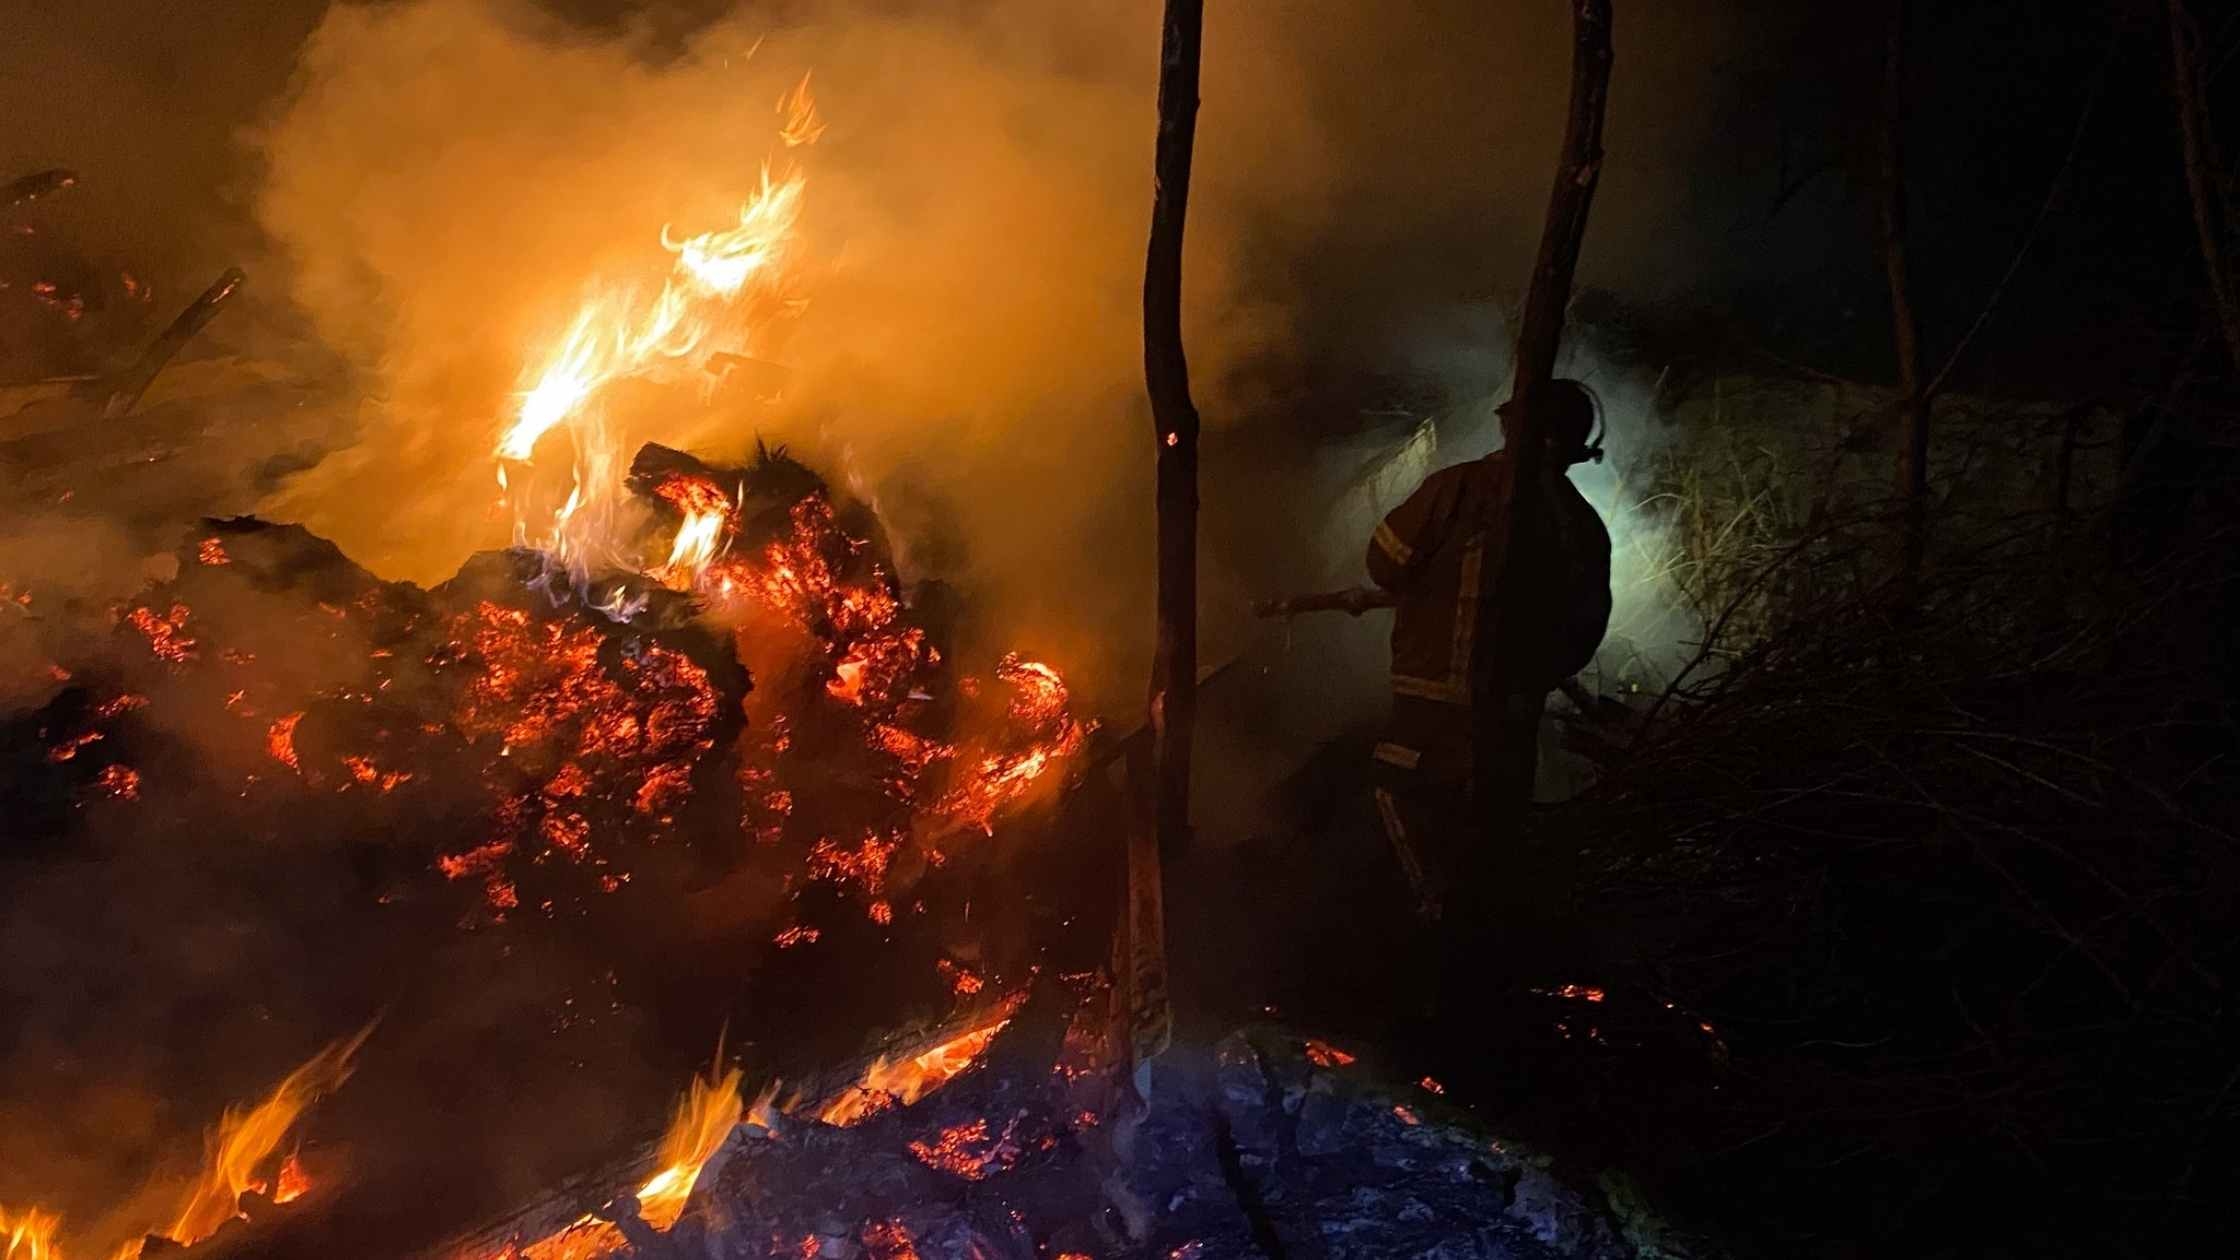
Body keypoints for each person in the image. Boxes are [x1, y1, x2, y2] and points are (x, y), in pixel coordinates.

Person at [1363, 379, 1613, 918]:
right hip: (1509, 725)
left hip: (1425, 711)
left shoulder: (1455, 489)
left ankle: (1426, 940)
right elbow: (1581, 638)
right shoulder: (1584, 528)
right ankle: (1479, 950)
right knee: (1489, 848)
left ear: (1511, 426)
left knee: (1399, 805)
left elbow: (1385, 563)